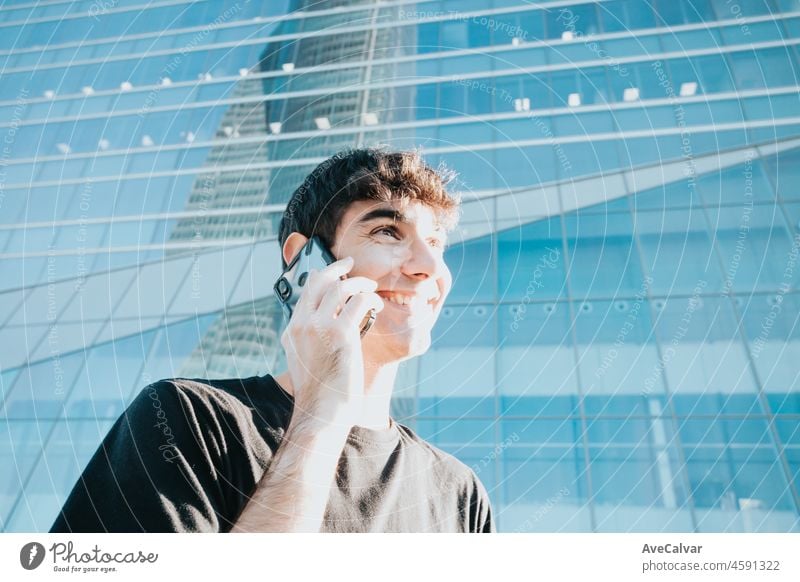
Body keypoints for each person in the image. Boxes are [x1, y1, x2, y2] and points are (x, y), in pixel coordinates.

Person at [50, 147, 495, 533]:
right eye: (387, 232)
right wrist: (324, 408)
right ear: (306, 260)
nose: (429, 266)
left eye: (437, 242)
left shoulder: (460, 493)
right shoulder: (187, 420)